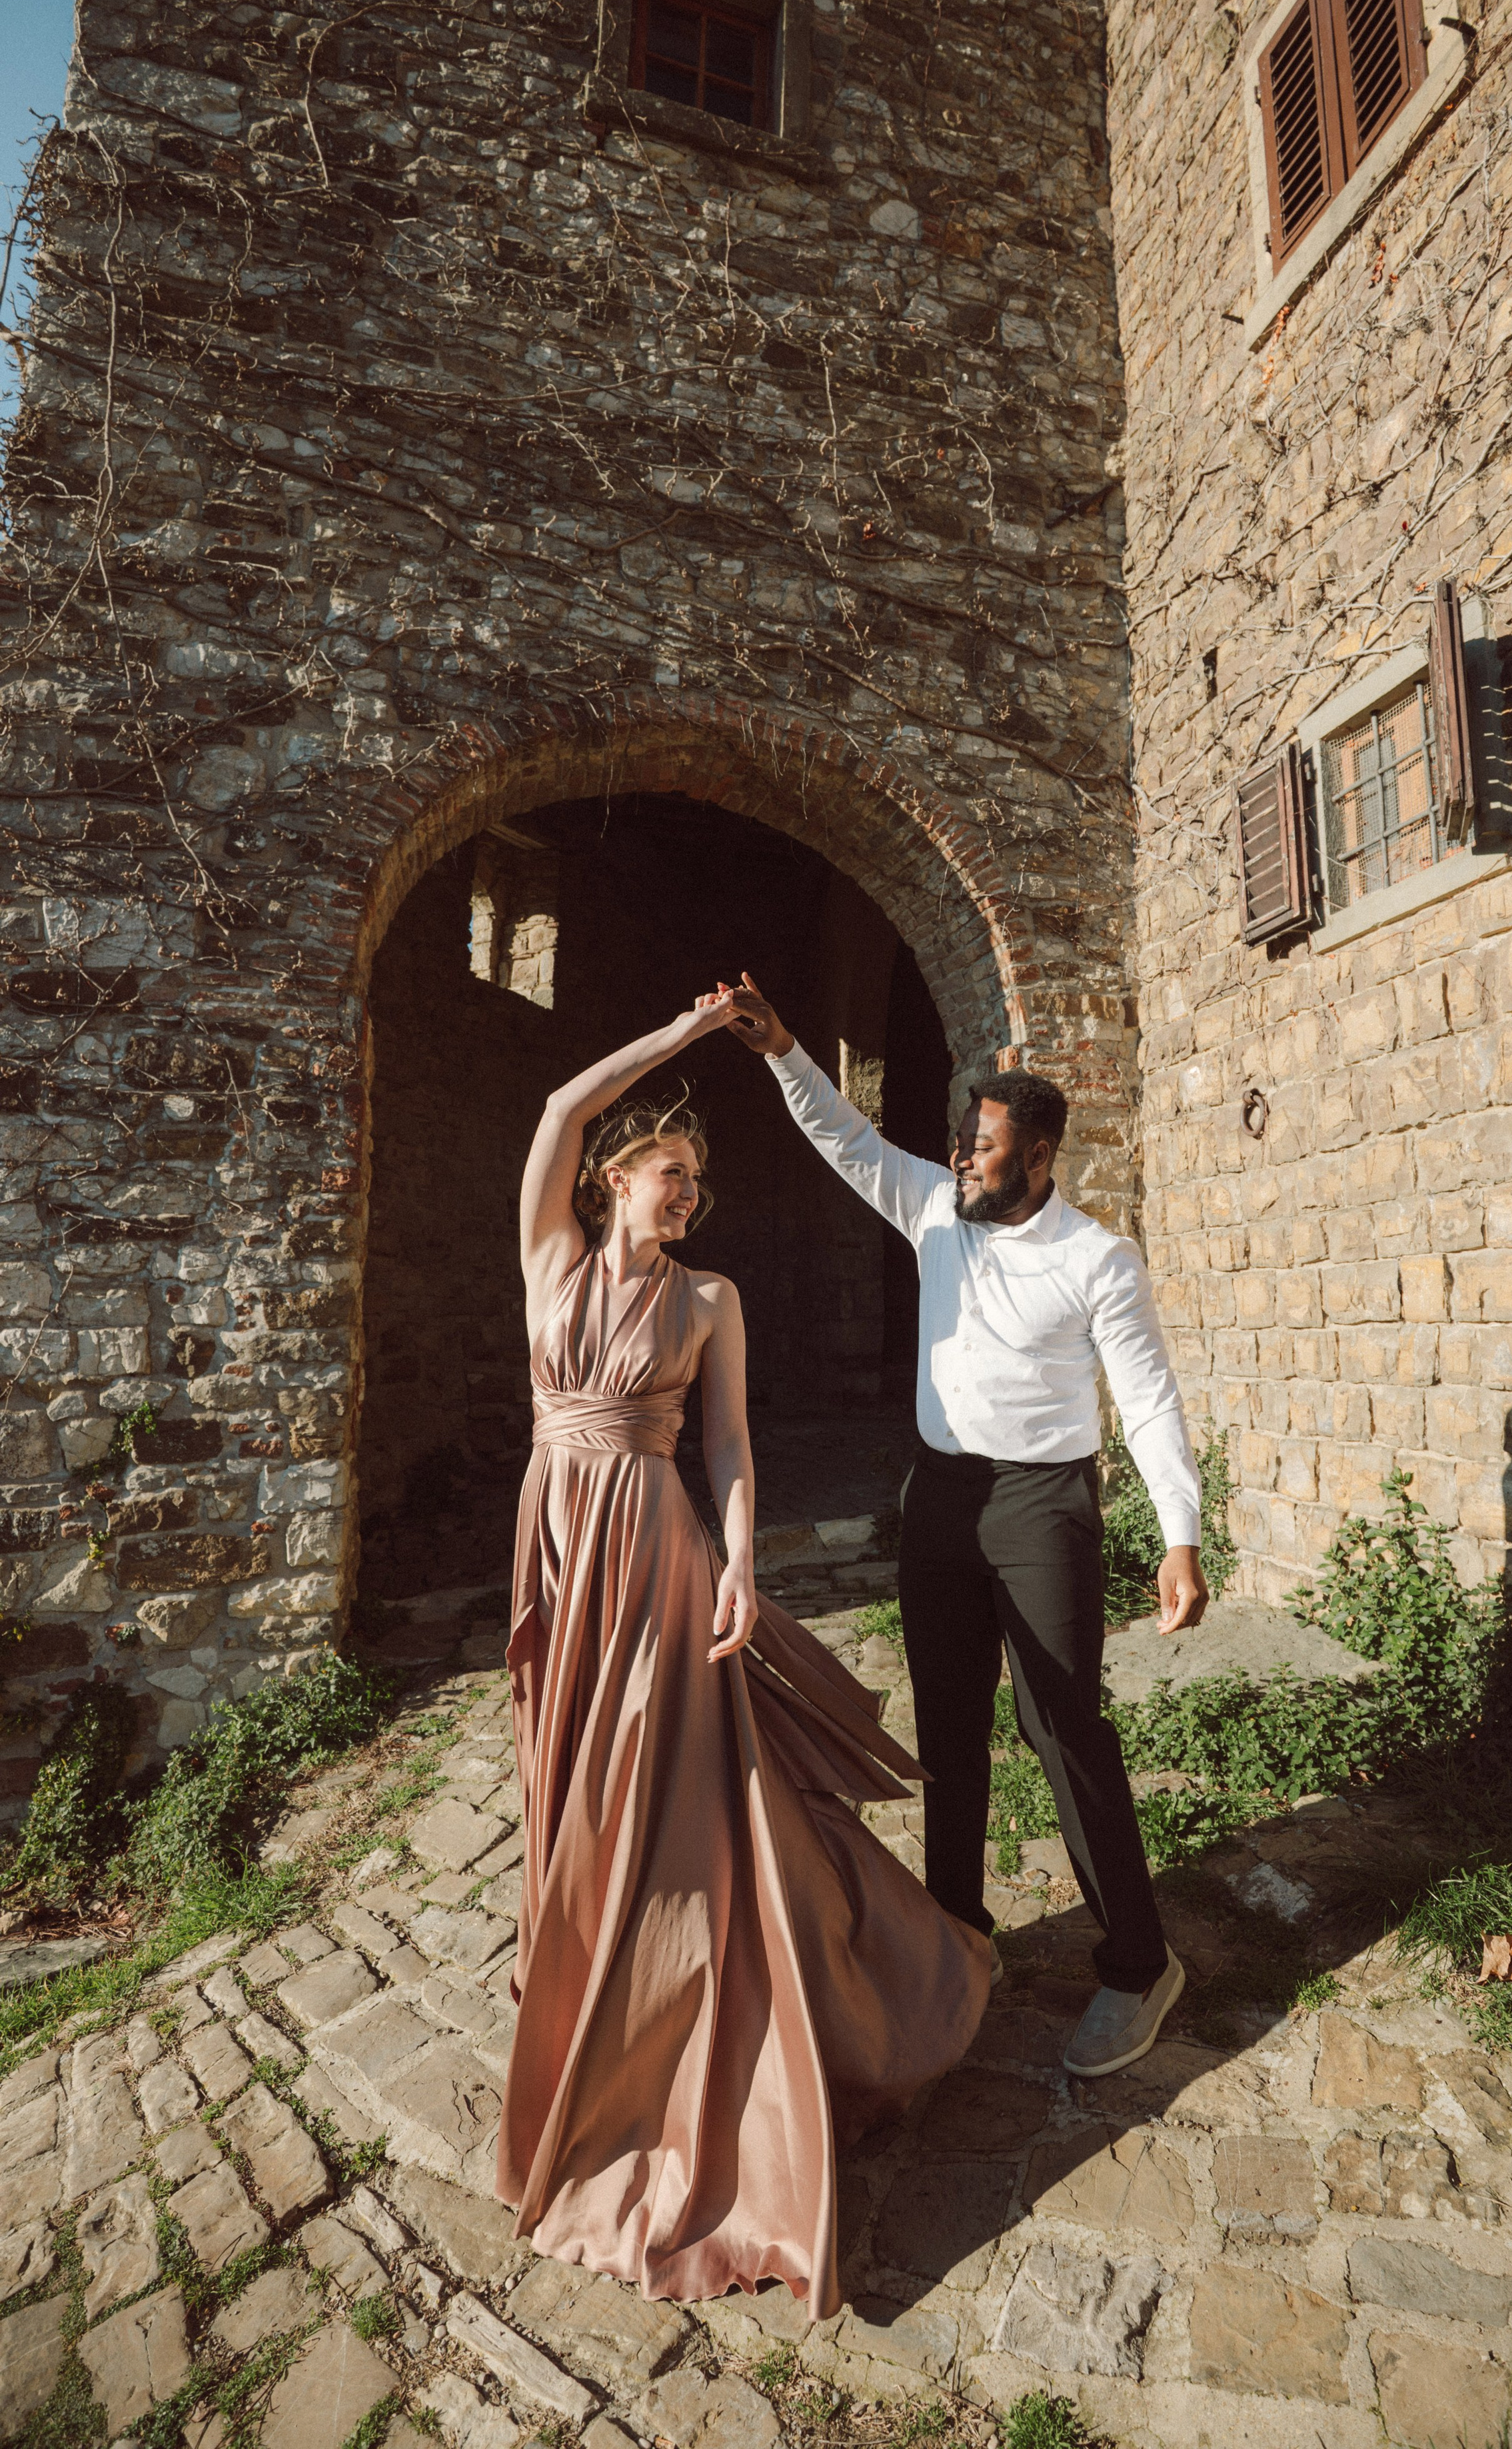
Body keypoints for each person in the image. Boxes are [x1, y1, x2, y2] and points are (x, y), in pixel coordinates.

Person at [494, 992, 989, 2318]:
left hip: (656, 1553)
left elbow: (725, 1447)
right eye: (672, 1173)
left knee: (672, 1794)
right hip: (560, 1550)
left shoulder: (711, 1297)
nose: (688, 1195)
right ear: (612, 1181)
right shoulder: (549, 1258)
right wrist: (678, 1035)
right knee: (575, 1780)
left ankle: (692, 2014)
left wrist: (740, 1564)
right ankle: (588, 1982)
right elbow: (556, 1107)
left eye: (699, 1183)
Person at [724, 974, 1209, 2079]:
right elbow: (846, 1140)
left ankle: (1139, 1964)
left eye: (983, 1146)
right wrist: (784, 1047)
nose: (960, 1157)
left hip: (1043, 1507)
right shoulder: (936, 1207)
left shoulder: (1097, 1259)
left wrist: (1179, 1533)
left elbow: (1145, 1397)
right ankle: (954, 1940)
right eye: (960, 1139)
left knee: (1060, 1726)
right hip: (938, 1499)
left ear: (1040, 1158)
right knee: (947, 1729)